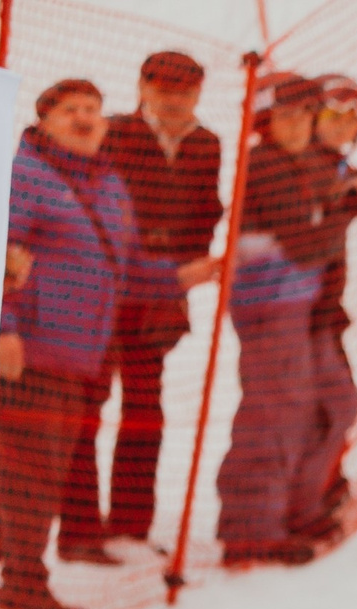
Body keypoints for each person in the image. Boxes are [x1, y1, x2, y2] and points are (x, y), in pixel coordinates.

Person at [0, 80, 217, 609]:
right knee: (34, 470)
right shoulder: (24, 176)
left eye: (93, 111)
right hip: (28, 349)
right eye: (70, 110)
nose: (85, 119)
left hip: (79, 353)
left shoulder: (107, 183)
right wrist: (4, 329)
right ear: (44, 121)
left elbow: (123, 268)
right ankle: (24, 583)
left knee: (29, 469)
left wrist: (179, 276)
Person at [54, 50, 223, 562]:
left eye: (186, 90)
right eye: (165, 88)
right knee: (85, 408)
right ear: (143, 87)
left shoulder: (205, 144)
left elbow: (205, 211)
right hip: (103, 292)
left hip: (158, 295)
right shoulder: (115, 133)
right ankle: (80, 531)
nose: (175, 99)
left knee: (145, 406)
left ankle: (129, 524)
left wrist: (184, 271)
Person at [215, 75, 357, 565]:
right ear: (266, 122)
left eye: (305, 115)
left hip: (305, 304)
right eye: (286, 116)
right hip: (268, 305)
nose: (298, 125)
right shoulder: (263, 165)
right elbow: (305, 243)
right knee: (277, 411)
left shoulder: (306, 162)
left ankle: (301, 504)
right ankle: (251, 526)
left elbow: (320, 230)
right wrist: (348, 205)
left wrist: (341, 205)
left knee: (336, 401)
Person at [292, 74, 357, 543]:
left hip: (325, 305)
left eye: (353, 119)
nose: (344, 126)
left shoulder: (336, 164)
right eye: (334, 116)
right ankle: (307, 495)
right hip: (300, 309)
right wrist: (348, 202)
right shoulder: (306, 164)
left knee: (332, 402)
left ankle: (325, 481)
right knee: (327, 403)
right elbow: (311, 221)